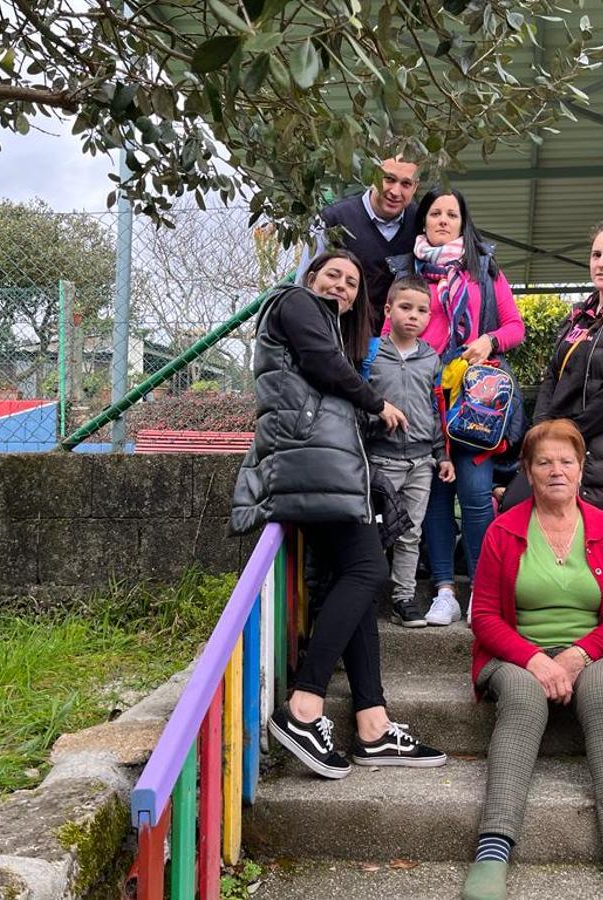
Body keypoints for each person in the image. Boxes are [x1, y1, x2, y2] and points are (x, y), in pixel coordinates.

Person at [230, 250, 446, 778]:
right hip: (312, 465)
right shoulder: (297, 302)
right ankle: (304, 707)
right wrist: (376, 403)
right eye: (334, 276)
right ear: (312, 277)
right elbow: (323, 369)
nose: (342, 288)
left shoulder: (330, 328)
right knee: (368, 570)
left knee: (356, 575)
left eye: (352, 283)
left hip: (324, 466)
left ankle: (372, 725)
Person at [464, 419, 603, 900]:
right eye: (544, 462)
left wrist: (578, 656)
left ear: (580, 470)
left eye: (566, 461)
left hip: (597, 652)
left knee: (601, 691)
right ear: (529, 474)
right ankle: (493, 848)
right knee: (521, 697)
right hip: (516, 655)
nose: (557, 470)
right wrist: (534, 660)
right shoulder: (502, 532)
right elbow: (486, 617)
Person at [384, 187, 525, 626]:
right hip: (425, 395)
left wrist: (488, 340)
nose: (443, 220)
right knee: (435, 498)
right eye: (434, 214)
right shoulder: (407, 272)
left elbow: (515, 327)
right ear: (422, 221)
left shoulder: (483, 267)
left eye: (452, 214)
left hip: (475, 400)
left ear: (463, 222)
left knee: (477, 494)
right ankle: (444, 590)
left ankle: (480, 590)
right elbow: (389, 329)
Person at [506, 221, 603, 518]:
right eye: (596, 255)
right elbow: (553, 376)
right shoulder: (581, 316)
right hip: (564, 443)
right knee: (513, 508)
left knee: (572, 522)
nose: (601, 263)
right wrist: (543, 431)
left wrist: (570, 434)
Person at [363, 275, 457, 628]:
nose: (414, 316)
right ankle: (366, 594)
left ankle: (404, 596)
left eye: (422, 310)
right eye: (405, 307)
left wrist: (442, 455)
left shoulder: (432, 360)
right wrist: (376, 419)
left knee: (410, 531)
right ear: (388, 310)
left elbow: (437, 412)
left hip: (420, 461)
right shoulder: (371, 353)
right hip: (379, 458)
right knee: (373, 529)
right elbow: (358, 404)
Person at [298, 156, 422, 333]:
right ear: (372, 175)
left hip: (393, 348)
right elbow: (302, 288)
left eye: (406, 184)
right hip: (336, 338)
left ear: (415, 187)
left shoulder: (421, 224)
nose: (395, 191)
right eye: (389, 179)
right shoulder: (332, 220)